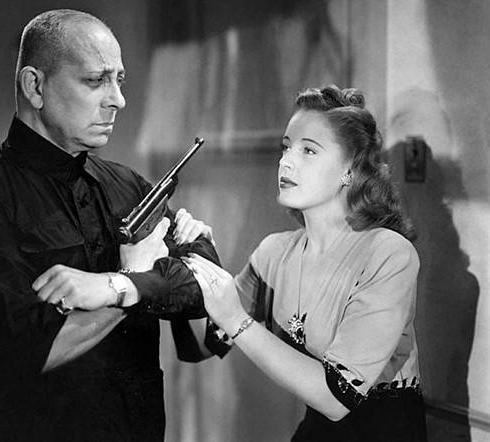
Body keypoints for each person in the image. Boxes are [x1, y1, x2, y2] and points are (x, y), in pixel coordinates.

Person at [0, 9, 218, 442]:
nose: (118, 100)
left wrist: (124, 283)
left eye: (119, 80)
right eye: (95, 80)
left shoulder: (130, 186)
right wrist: (134, 278)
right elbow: (19, 353)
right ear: (35, 86)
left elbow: (200, 310)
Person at [183, 85, 428, 441]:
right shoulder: (274, 253)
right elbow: (198, 345)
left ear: (349, 169)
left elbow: (337, 398)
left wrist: (237, 320)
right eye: (286, 147)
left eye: (308, 150)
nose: (286, 161)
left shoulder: (389, 253)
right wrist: (190, 258)